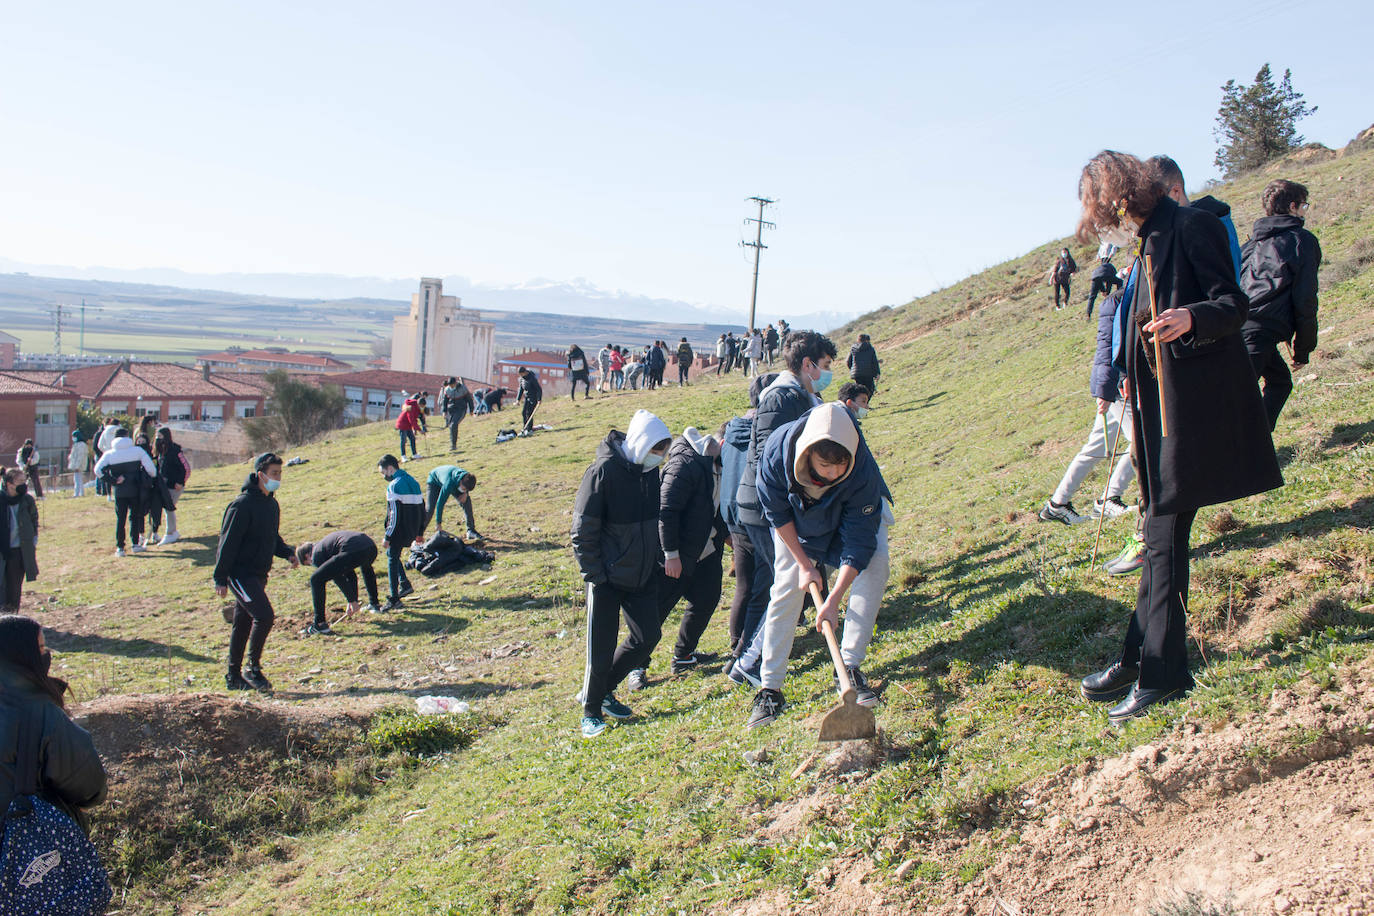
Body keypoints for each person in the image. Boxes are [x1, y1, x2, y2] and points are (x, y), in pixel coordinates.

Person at [1074, 150, 1281, 724]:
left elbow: (1234, 304)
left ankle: (1164, 674)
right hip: (1157, 419)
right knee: (1159, 539)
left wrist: (1191, 317)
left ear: (1118, 198)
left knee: (1162, 540)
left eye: (1098, 208)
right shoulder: (1146, 243)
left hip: (1191, 418)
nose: (1099, 223)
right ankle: (1138, 657)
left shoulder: (1192, 226)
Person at [747, 402, 892, 728]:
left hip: (846, 520)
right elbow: (777, 514)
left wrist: (834, 598)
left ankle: (850, 668)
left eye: (839, 467)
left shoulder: (861, 471)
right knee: (786, 585)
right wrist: (804, 564)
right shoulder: (776, 454)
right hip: (797, 527)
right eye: (825, 466)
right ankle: (770, 688)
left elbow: (859, 542)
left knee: (878, 564)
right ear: (807, 452)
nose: (832, 474)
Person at [730, 331, 836, 687]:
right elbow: (768, 460)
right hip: (765, 507)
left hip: (774, 505)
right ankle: (750, 661)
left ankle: (747, 659)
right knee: (788, 584)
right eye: (824, 366)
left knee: (782, 584)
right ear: (807, 365)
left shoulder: (803, 396)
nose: (827, 373)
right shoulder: (781, 399)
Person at [571, 408, 672, 739]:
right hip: (607, 578)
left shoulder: (648, 473)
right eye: (656, 451)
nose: (659, 459)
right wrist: (595, 575)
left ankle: (602, 692)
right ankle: (591, 711)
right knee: (599, 651)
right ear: (642, 444)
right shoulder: (603, 471)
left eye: (662, 453)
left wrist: (656, 558)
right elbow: (583, 529)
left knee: (648, 637)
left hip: (641, 575)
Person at [624, 426, 726, 690]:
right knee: (656, 611)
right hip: (674, 554)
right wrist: (671, 555)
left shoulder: (719, 466)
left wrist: (725, 536)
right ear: (722, 443)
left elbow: (714, 507)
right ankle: (635, 666)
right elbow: (666, 512)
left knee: (707, 598)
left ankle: (684, 655)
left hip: (704, 549)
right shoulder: (685, 466)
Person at [0, 614, 108, 840]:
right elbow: (89, 785)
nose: (46, 655)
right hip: (27, 856)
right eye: (39, 648)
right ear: (21, 655)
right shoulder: (40, 714)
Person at [1039, 289, 1136, 527]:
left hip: (1112, 384)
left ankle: (1058, 504)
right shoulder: (1119, 300)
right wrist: (1105, 390)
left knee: (1097, 446)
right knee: (1143, 441)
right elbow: (1108, 349)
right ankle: (1108, 499)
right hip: (1117, 386)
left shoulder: (1124, 297)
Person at [212, 452, 299, 692]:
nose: (278, 478)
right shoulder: (241, 505)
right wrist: (220, 577)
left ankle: (233, 676)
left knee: (243, 622)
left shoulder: (271, 503)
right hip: (240, 574)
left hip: (259, 574)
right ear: (260, 475)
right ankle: (252, 669)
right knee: (264, 616)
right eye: (274, 473)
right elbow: (227, 543)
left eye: (280, 473)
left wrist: (287, 552)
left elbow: (272, 536)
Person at [1240, 179, 1321, 431]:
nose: (1305, 212)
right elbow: (1305, 297)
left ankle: (1256, 444)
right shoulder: (1301, 240)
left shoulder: (1249, 246)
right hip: (1260, 330)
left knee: (1280, 382)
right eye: (1304, 206)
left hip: (1236, 326)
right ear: (1293, 206)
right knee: (1234, 403)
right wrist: (1303, 349)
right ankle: (1248, 451)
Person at [295, 531, 381, 635]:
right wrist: (353, 600)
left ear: (307, 555)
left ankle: (320, 624)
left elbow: (337, 576)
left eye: (308, 564)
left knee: (315, 579)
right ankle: (374, 604)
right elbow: (350, 575)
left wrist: (352, 601)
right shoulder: (325, 547)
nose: (313, 565)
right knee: (366, 568)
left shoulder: (316, 554)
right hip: (370, 546)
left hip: (353, 550)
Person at [93, 430, 156, 557]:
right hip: (135, 489)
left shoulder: (109, 454)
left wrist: (113, 481)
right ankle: (135, 544)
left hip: (120, 491)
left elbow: (97, 470)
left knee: (120, 519)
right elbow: (151, 470)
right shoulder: (137, 451)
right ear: (128, 437)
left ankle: (120, 548)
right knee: (135, 517)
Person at [377, 454, 422, 611]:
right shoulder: (413, 481)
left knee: (391, 558)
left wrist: (388, 535)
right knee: (393, 556)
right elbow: (422, 508)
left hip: (399, 529)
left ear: (390, 468)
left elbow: (393, 514)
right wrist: (420, 531)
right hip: (413, 528)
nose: (384, 476)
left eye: (383, 473)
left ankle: (394, 597)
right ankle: (404, 583)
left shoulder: (394, 485)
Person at [0, 467, 40, 612]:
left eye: (25, 480)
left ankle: (12, 618)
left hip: (19, 551)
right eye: (21, 481)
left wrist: (33, 539)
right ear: (10, 484)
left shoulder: (27, 500)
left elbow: (34, 520)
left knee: (14, 589)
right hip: (2, 551)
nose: (25, 484)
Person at [149, 427, 190, 546]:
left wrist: (181, 482)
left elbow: (186, 468)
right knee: (167, 508)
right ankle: (169, 532)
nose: (158, 438)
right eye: (157, 436)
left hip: (175, 485)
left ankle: (171, 533)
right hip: (164, 485)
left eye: (160, 436)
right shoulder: (159, 451)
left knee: (169, 507)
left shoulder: (175, 450)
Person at [420, 465, 481, 542]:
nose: (464, 490)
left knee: (467, 502)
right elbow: (440, 503)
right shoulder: (449, 484)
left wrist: (465, 493)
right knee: (430, 509)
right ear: (460, 482)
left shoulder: (468, 478)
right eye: (464, 489)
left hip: (453, 482)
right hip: (434, 481)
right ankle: (419, 535)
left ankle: (471, 531)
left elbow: (466, 487)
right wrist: (438, 523)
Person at [516, 366, 542, 435]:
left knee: (529, 413)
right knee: (523, 413)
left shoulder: (532, 378)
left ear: (525, 372)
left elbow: (539, 389)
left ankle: (529, 429)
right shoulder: (522, 379)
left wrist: (539, 399)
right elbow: (521, 389)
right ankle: (525, 427)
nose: (521, 376)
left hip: (533, 398)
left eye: (521, 374)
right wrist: (517, 400)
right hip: (526, 397)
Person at [395, 397, 423, 462]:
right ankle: (403, 456)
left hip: (408, 426)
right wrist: (419, 430)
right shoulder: (411, 408)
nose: (422, 407)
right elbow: (412, 420)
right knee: (403, 440)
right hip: (402, 425)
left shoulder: (416, 408)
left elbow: (415, 419)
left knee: (412, 439)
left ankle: (414, 454)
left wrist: (415, 429)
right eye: (422, 406)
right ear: (419, 404)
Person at [67, 430, 89, 497]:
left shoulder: (81, 445)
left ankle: (77, 493)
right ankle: (80, 493)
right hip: (76, 465)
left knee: (77, 480)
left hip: (79, 465)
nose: (73, 438)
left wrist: (77, 466)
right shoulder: (76, 444)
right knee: (78, 479)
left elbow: (80, 456)